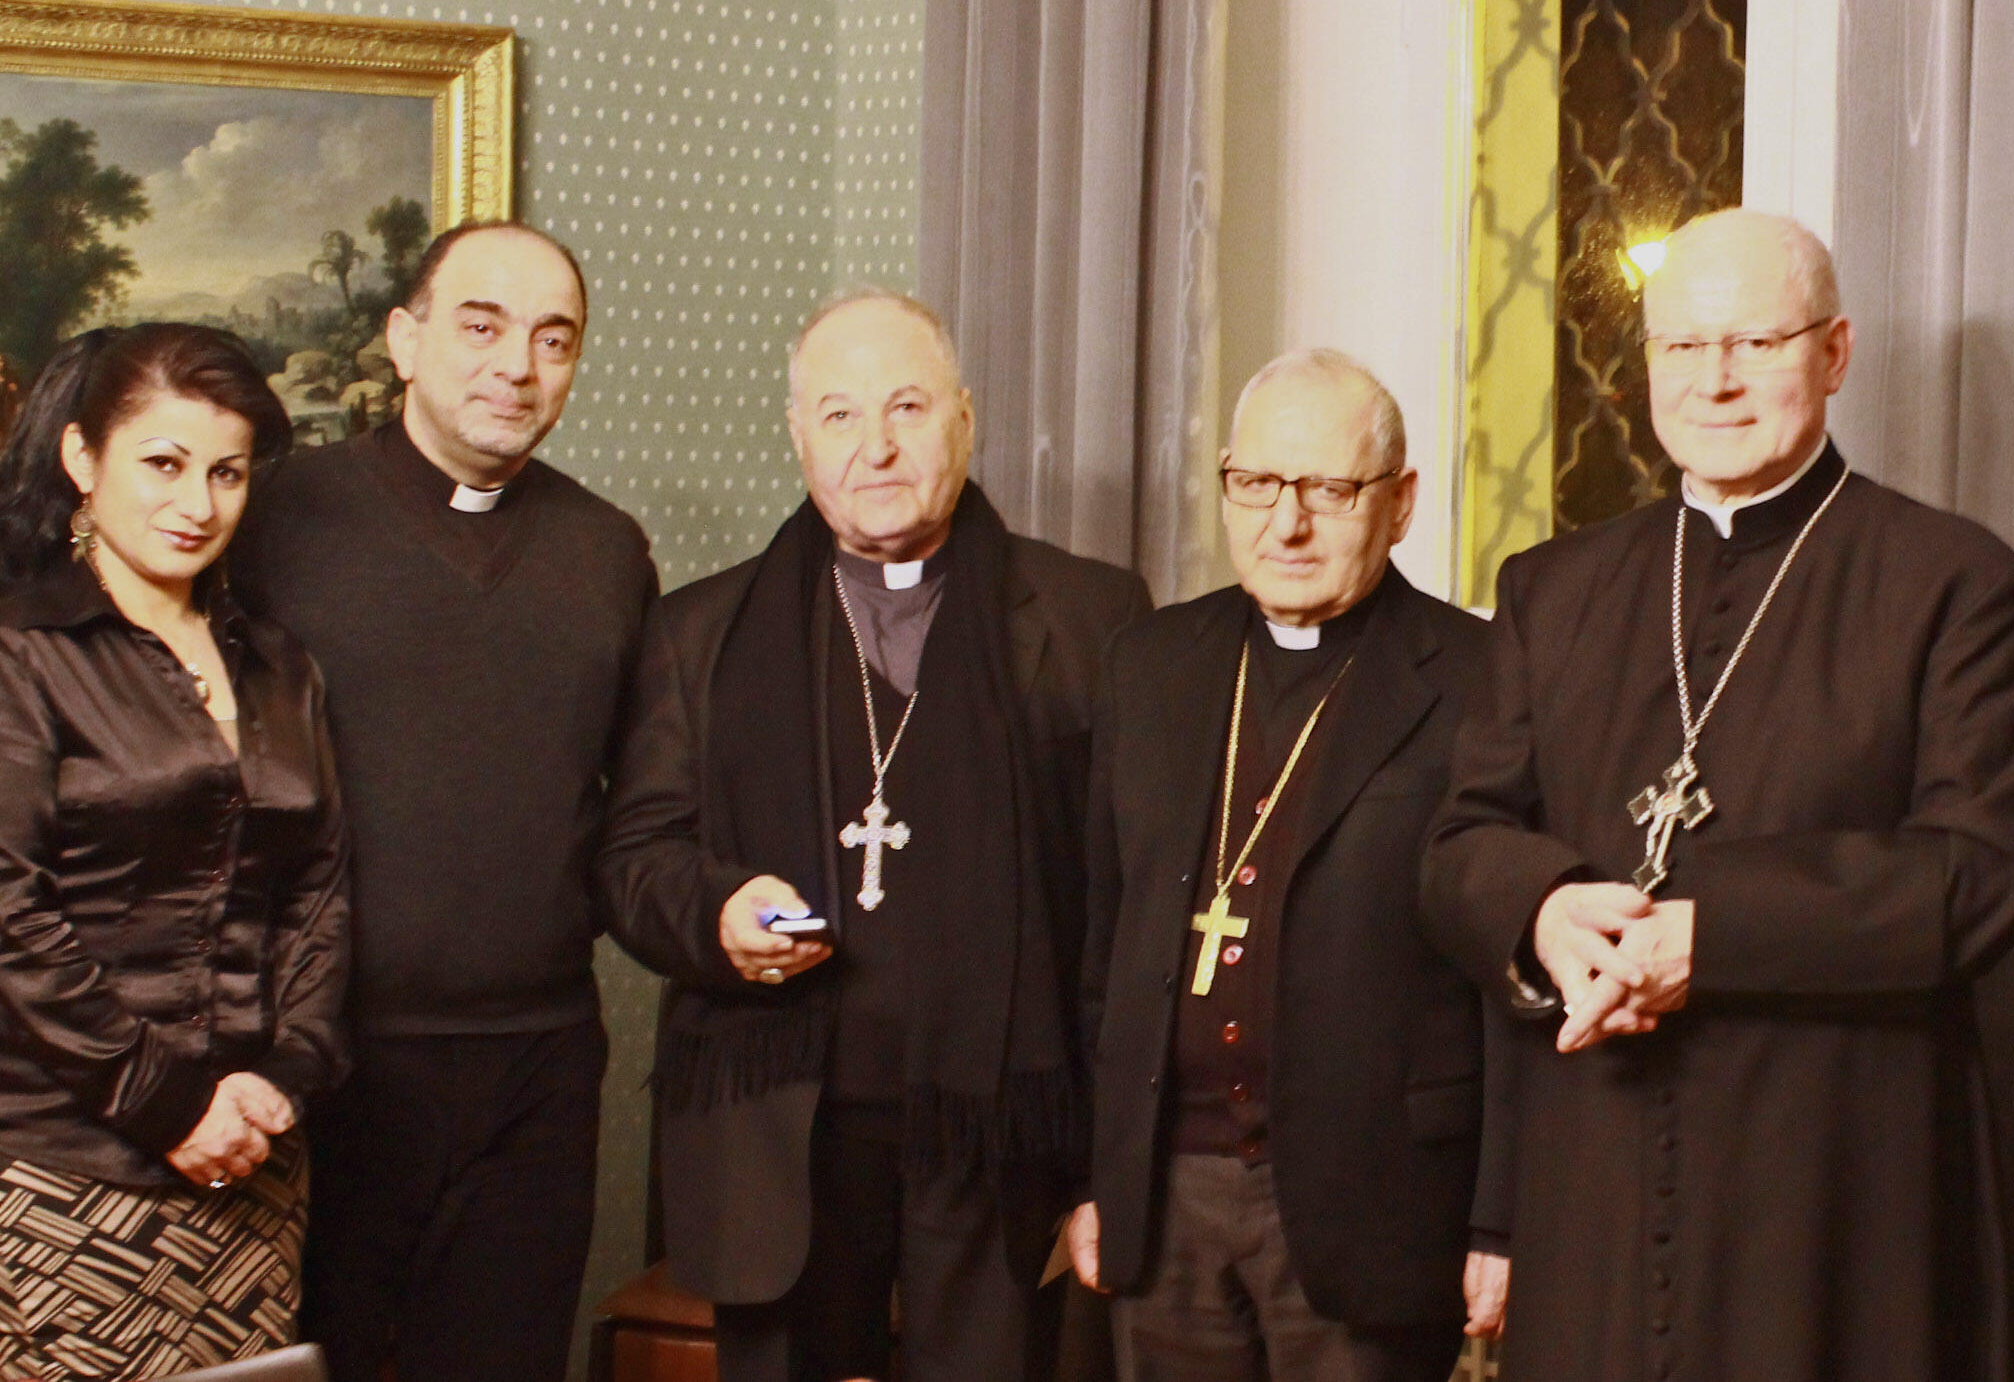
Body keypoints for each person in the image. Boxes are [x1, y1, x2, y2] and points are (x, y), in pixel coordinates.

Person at [1421, 208, 2014, 1382]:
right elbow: (1464, 838)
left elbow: (1986, 871)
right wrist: (1545, 910)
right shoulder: (1553, 589)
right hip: (1596, 1179)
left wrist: (1706, 937)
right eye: (1681, 347)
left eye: (1756, 345)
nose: (1714, 381)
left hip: (1832, 1186)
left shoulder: (1957, 586)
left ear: (1836, 352)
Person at [597, 289, 1149, 1382]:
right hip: (781, 1130)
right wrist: (714, 913)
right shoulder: (698, 633)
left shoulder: (1093, 617)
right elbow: (632, 863)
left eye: (907, 406)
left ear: (965, 418)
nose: (879, 446)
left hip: (997, 1127)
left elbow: (1126, 896)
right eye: (841, 415)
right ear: (799, 434)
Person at [232, 221, 659, 1382]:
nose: (515, 366)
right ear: (405, 340)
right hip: (326, 1062)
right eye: (480, 327)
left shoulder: (608, 552)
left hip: (540, 1066)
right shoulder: (275, 523)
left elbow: (637, 815)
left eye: (552, 339)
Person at [1071, 350, 1509, 1381]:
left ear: (1400, 504)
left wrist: (1501, 1220)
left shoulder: (1481, 678)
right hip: (1165, 1193)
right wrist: (1091, 1175)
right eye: (1258, 484)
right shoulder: (1151, 664)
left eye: (1330, 490)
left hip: (1378, 1198)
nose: (1288, 523)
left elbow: (1506, 987)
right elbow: (1102, 944)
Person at [0, 324, 349, 1377]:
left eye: (227, 472)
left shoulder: (282, 666)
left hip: (252, 1167)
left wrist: (287, 1073)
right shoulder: (21, 655)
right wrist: (166, 1104)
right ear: (80, 460)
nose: (198, 504)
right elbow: (9, 912)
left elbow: (321, 891)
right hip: (63, 1177)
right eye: (163, 463)